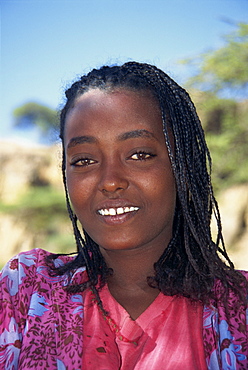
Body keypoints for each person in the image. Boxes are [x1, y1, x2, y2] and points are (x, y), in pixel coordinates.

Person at [0, 62, 247, 370]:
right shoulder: (24, 291)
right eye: (84, 160)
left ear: (182, 167)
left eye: (139, 154)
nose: (110, 180)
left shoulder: (239, 310)